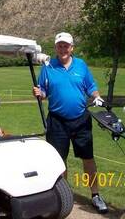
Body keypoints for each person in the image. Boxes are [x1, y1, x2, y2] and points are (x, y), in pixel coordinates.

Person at [32, 32, 108, 214]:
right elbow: (43, 91)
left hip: (81, 119)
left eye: (66, 46)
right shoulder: (48, 67)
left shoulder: (81, 65)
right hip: (57, 121)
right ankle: (64, 196)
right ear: (56, 48)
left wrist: (97, 97)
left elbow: (91, 87)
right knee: (60, 161)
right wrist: (38, 93)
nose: (63, 49)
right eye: (59, 46)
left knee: (88, 158)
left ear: (72, 48)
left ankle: (95, 195)